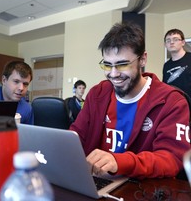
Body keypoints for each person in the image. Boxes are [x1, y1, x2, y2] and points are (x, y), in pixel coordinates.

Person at [70, 22, 190, 179]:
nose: (113, 74)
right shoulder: (97, 94)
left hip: (139, 188)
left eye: (122, 64)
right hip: (96, 181)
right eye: (107, 65)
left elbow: (171, 159)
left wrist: (119, 162)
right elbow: (76, 135)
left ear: (143, 59)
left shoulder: (172, 101)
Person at [162, 29, 191, 99]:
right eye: (168, 40)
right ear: (165, 44)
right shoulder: (166, 66)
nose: (171, 42)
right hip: (175, 106)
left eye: (175, 39)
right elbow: (165, 87)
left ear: (183, 42)